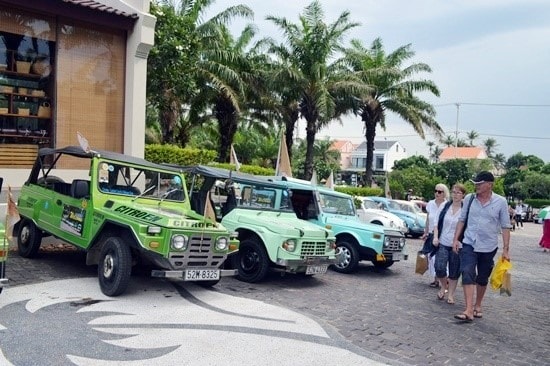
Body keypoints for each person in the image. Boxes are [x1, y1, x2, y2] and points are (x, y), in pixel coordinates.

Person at [452, 171, 511, 322]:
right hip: (469, 243)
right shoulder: (470, 199)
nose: (476, 186)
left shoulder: (500, 202)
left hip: (488, 246)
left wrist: (505, 249)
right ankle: (469, 309)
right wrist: (455, 239)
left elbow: (505, 226)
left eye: (480, 183)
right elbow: (462, 219)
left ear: (490, 185)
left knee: (482, 277)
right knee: (467, 271)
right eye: (475, 183)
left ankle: (478, 304)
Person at [432, 183, 466, 304]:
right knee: (439, 267)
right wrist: (435, 237)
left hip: (457, 244)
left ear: (463, 195)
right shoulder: (445, 206)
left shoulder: (465, 209)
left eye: (458, 193)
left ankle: (450, 294)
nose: (455, 195)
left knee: (454, 270)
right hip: (443, 241)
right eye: (453, 192)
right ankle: (443, 285)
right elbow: (436, 223)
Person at [421, 183, 450, 288]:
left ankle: (441, 279)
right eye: (436, 191)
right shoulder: (430, 204)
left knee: (439, 257)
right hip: (431, 234)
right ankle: (435, 278)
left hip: (442, 235)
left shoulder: (447, 205)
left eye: (439, 191)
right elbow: (428, 219)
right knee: (430, 256)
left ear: (444, 193)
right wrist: (425, 232)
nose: (437, 193)